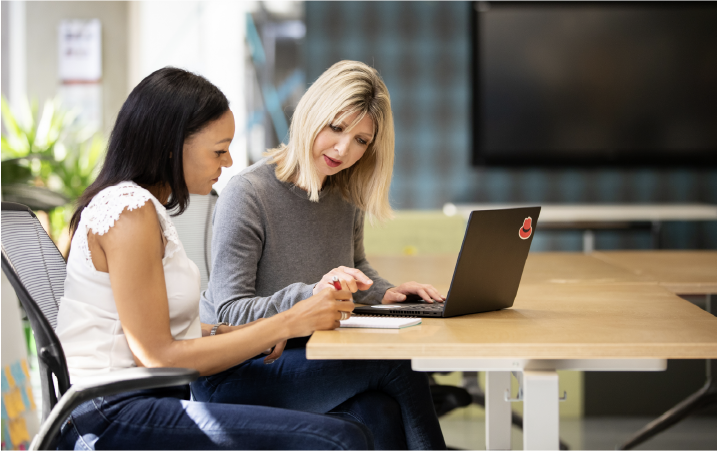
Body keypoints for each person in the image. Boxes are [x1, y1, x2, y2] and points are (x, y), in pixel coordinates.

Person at [54, 67, 375, 451]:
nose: (227, 163)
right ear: (172, 146)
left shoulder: (145, 210)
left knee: (358, 423)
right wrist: (288, 320)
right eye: (219, 150)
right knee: (339, 438)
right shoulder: (128, 213)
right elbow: (159, 355)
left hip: (140, 401)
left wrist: (239, 332)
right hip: (108, 415)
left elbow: (165, 332)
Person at [197, 60, 446, 450]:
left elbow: (354, 267)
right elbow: (229, 311)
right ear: (313, 114)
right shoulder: (248, 194)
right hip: (240, 371)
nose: (344, 149)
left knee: (379, 411)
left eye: (362, 141)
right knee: (398, 364)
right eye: (336, 127)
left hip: (308, 356)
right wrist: (310, 295)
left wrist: (384, 293)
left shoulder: (343, 192)